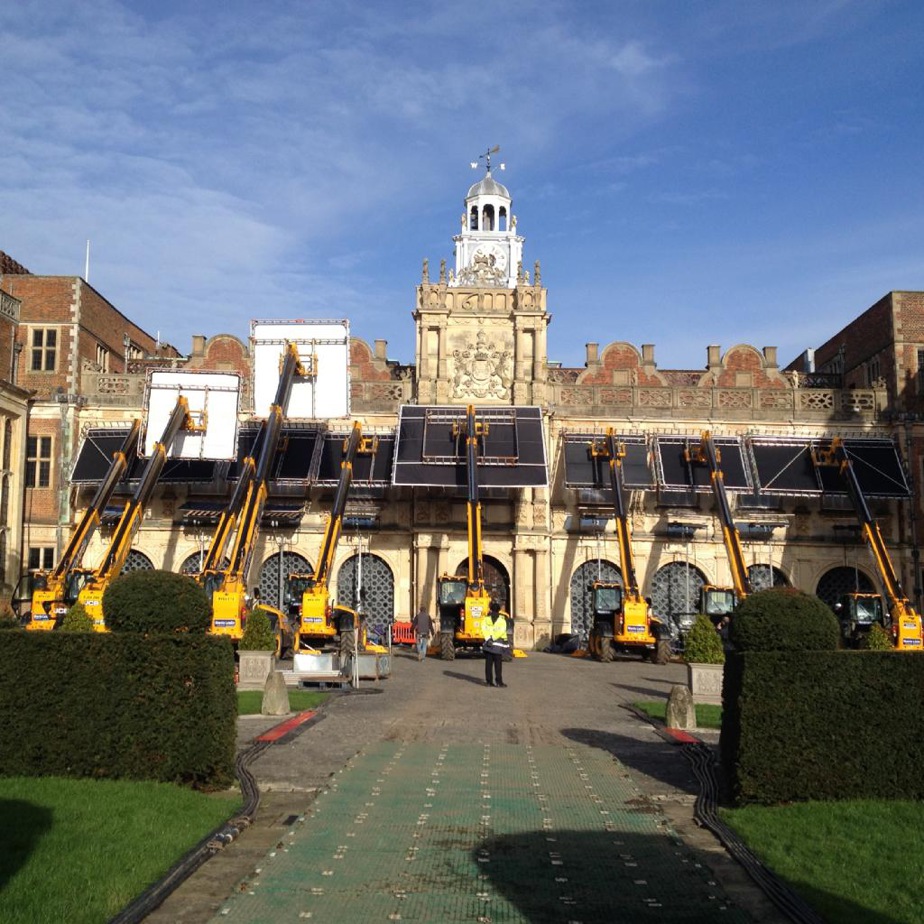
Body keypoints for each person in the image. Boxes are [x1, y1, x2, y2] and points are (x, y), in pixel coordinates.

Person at [483, 599, 510, 687]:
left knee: (488, 664)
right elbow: (501, 631)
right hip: (498, 645)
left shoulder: (485, 620)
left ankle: (488, 682)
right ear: (499, 610)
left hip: (488, 644)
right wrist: (494, 638)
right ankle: (499, 682)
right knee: (498, 665)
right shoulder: (502, 620)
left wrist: (488, 639)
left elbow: (484, 630)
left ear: (490, 609)